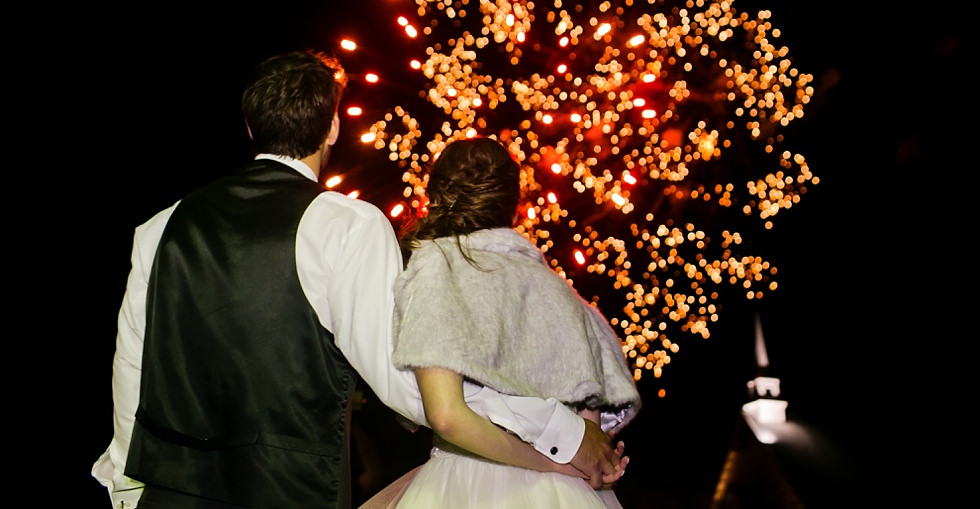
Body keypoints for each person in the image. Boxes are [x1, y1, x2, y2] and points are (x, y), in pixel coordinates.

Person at [90, 50, 628, 509]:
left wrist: (124, 485)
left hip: (168, 492)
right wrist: (561, 434)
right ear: (332, 127)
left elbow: (132, 368)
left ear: (251, 128)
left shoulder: (161, 225)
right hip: (289, 491)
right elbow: (411, 386)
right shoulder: (347, 224)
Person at [360, 137, 642, 509]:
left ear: (437, 195)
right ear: (514, 202)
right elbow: (588, 425)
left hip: (466, 484)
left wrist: (546, 463)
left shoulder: (438, 270)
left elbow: (445, 416)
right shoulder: (557, 291)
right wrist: (583, 465)